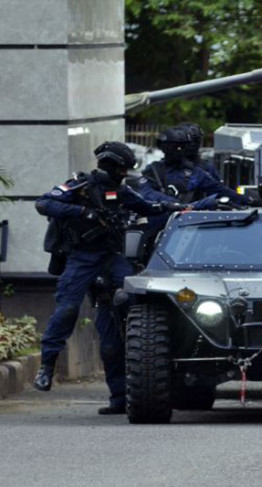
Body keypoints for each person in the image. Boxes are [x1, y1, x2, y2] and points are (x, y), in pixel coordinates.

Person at [33, 142, 181, 414]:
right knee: (66, 310)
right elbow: (44, 203)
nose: (124, 174)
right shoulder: (81, 185)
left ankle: (121, 397)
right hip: (82, 259)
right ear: (109, 165)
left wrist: (177, 206)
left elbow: (148, 207)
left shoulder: (122, 191)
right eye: (121, 169)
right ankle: (46, 367)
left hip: (112, 258)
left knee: (135, 305)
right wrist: (81, 212)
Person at [138, 126, 257, 206]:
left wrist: (249, 201)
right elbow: (145, 191)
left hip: (187, 222)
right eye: (174, 146)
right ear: (163, 147)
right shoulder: (153, 169)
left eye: (182, 146)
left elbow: (221, 190)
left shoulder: (196, 173)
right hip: (157, 220)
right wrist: (171, 203)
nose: (178, 150)